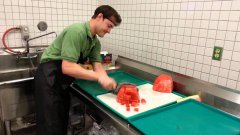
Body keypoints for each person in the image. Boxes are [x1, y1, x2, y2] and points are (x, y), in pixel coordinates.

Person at [34, 5, 122, 135]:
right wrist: (99, 77)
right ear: (100, 16)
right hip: (49, 77)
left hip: (62, 81)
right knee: (50, 124)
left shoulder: (95, 42)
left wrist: (106, 79)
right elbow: (67, 67)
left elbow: (97, 65)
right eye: (109, 26)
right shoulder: (76, 31)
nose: (109, 31)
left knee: (61, 121)